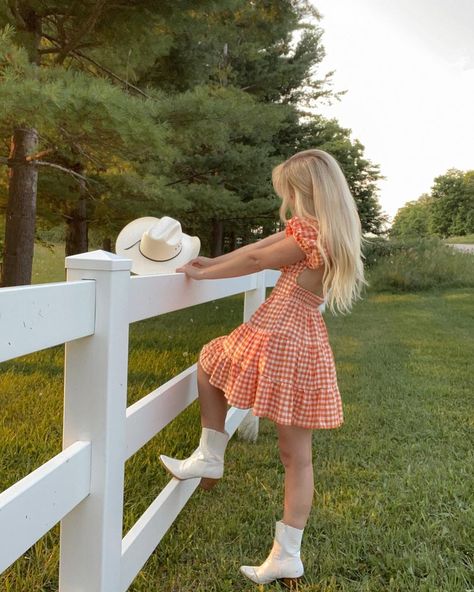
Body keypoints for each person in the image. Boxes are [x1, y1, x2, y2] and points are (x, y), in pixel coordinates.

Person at [159, 148, 368, 587]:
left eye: (290, 192)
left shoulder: (312, 234)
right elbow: (258, 248)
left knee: (211, 360)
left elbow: (257, 261)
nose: (287, 201)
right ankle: (287, 555)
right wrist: (211, 262)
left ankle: (211, 454)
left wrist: (203, 275)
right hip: (304, 341)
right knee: (297, 458)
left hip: (281, 333)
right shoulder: (324, 232)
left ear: (306, 191)